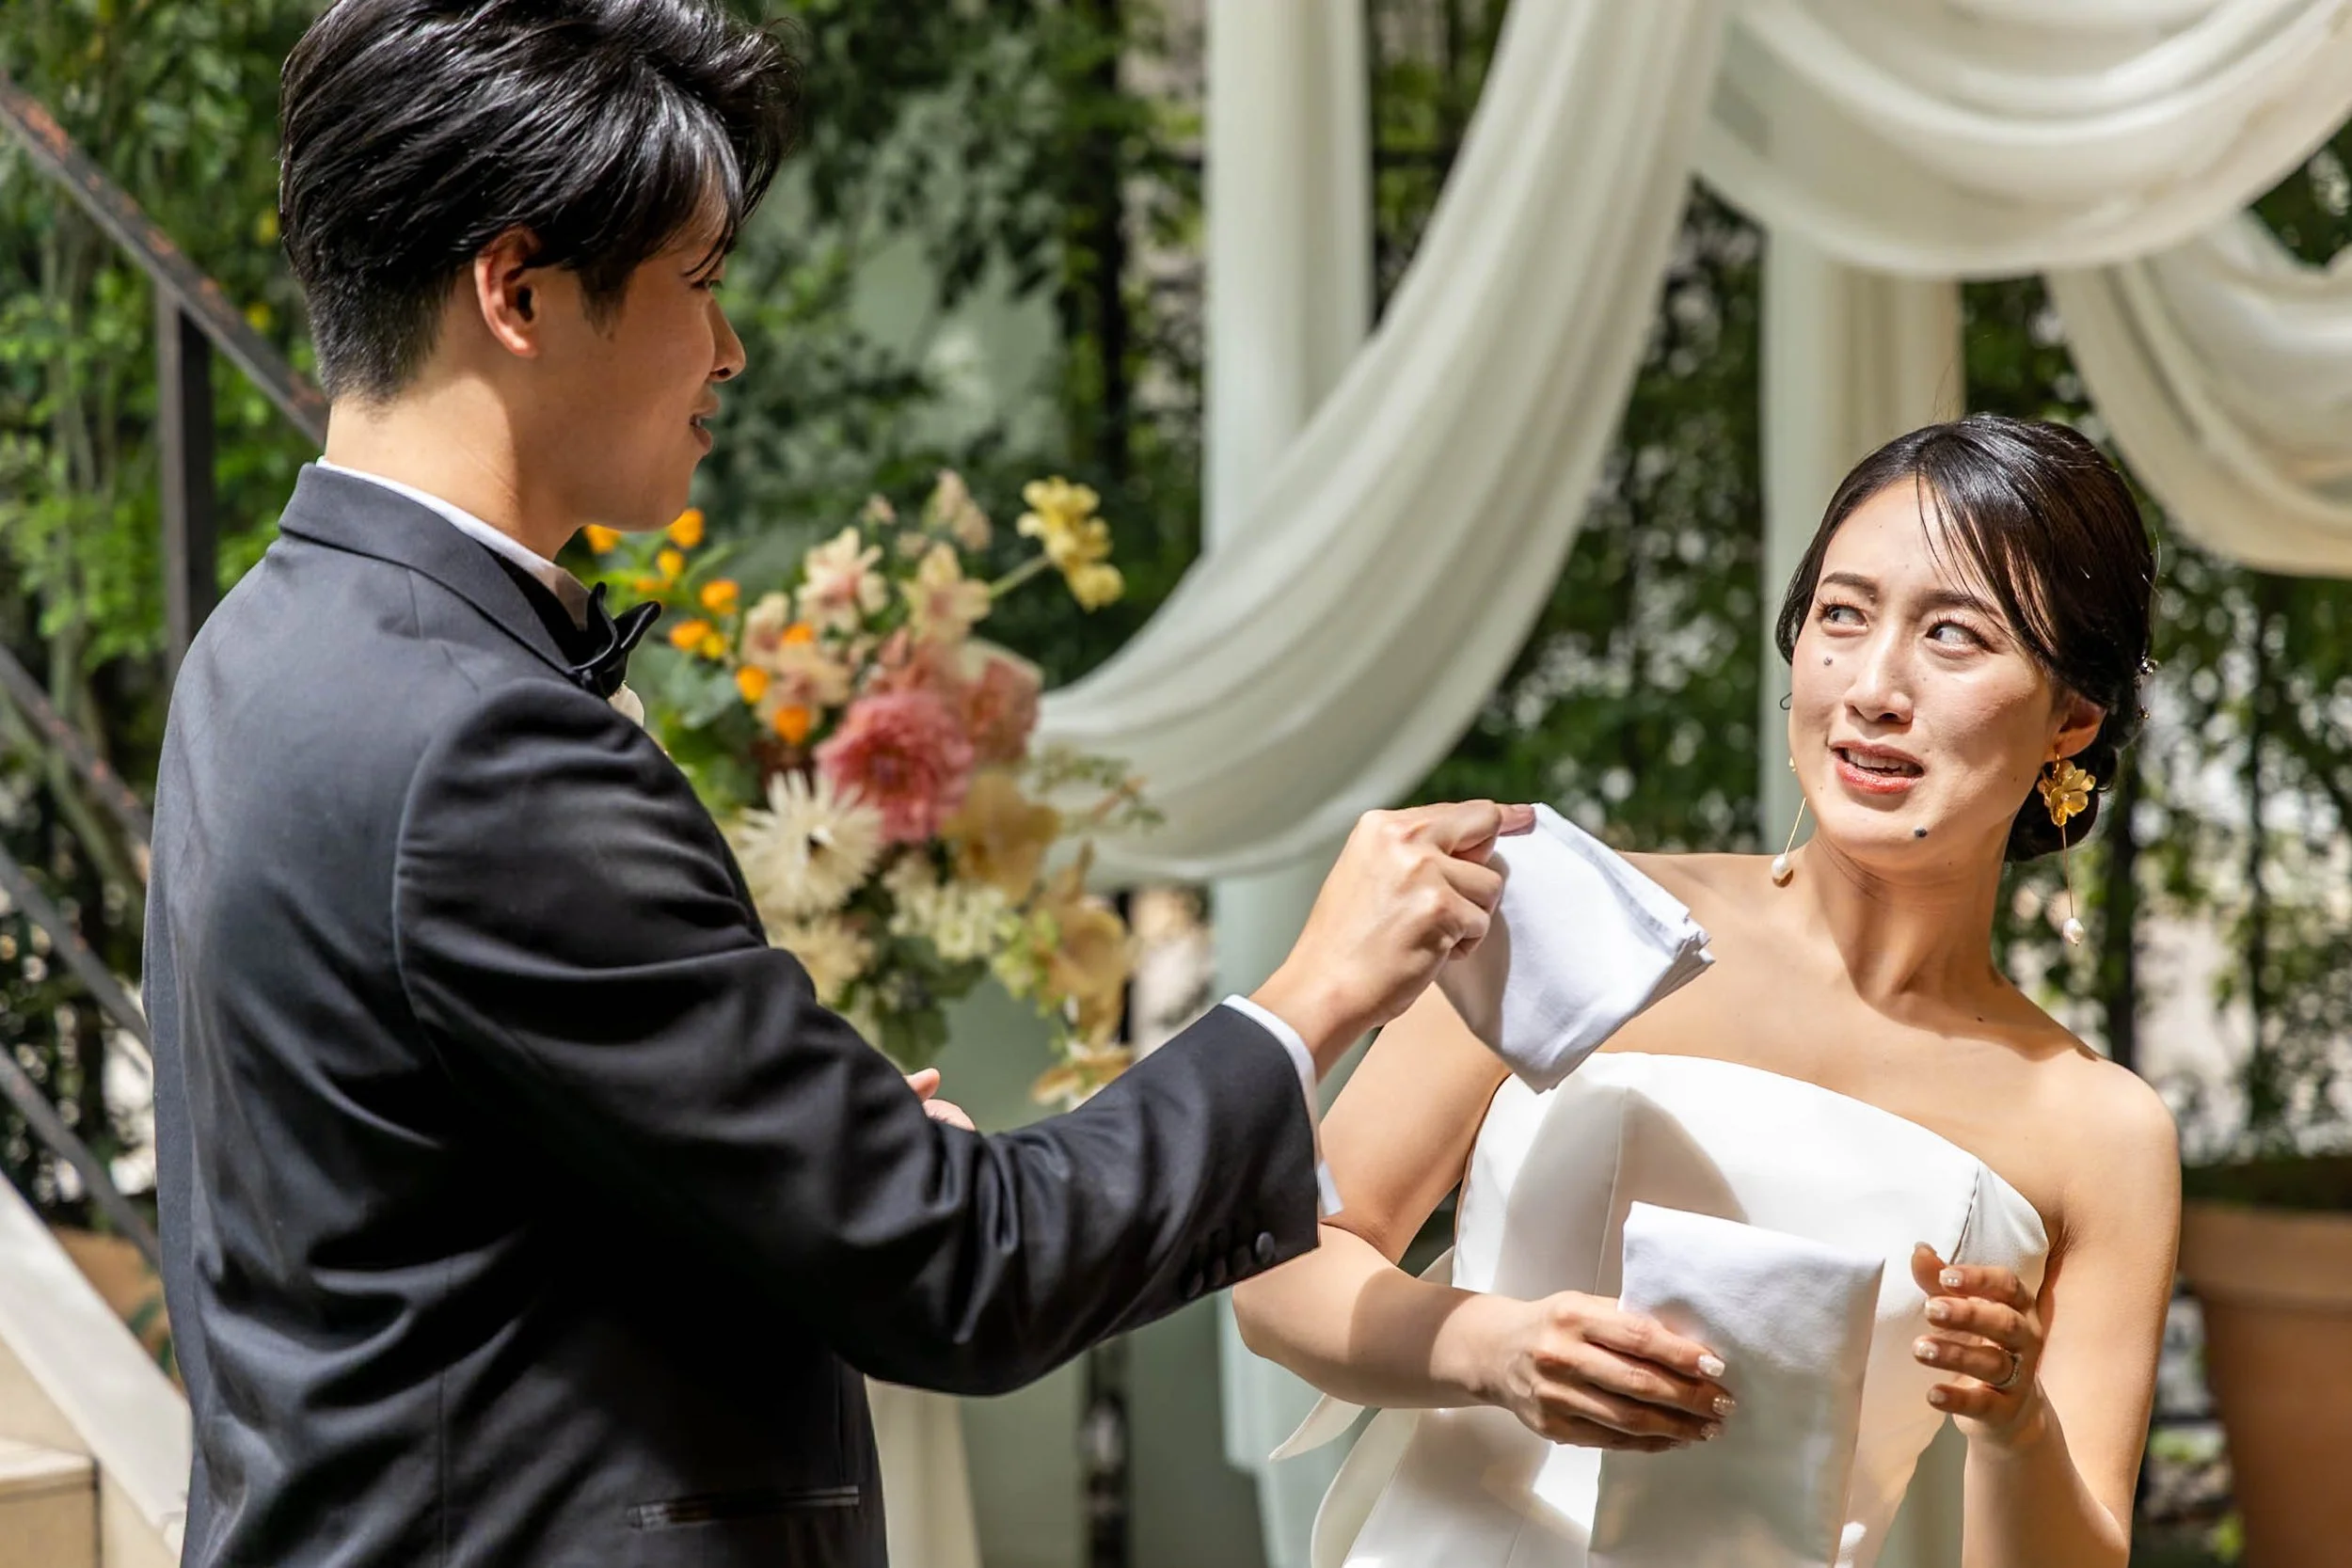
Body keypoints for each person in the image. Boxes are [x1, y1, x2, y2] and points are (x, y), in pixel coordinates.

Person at [140, 4, 1572, 1564]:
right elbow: (969, 1269)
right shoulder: (481, 741)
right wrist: (1316, 992)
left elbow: (404, 1214)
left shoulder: (261, 649)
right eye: (702, 286)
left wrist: (761, 1160)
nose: (732, 349)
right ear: (519, 286)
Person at [1233, 415, 2181, 1568]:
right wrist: (1491, 1347)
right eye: (1842, 614)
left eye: (1953, 634)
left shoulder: (2099, 1131)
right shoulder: (1573, 910)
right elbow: (1279, 1273)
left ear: (2070, 719)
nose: (1874, 685)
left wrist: (2017, 1424)